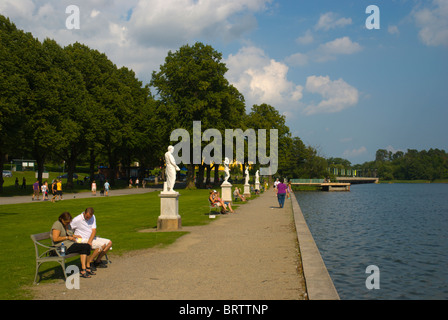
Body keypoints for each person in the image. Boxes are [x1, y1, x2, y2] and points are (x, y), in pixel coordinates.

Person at [50, 212, 95, 278]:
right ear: (62, 219)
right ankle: (84, 270)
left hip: (68, 244)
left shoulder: (66, 225)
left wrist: (75, 236)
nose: (68, 224)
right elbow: (55, 238)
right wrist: (67, 237)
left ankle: (86, 268)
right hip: (60, 248)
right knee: (84, 247)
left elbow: (68, 234)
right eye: (67, 222)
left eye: (69, 222)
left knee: (87, 246)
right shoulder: (57, 224)